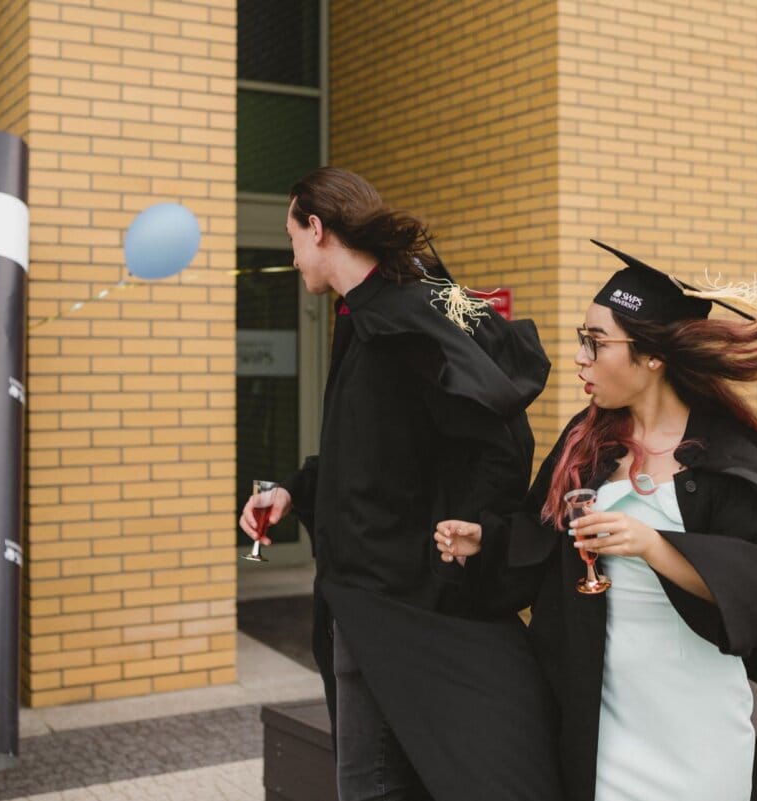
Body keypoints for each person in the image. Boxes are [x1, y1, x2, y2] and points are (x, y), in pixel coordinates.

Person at [434, 240, 757, 801]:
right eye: (583, 339)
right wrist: (488, 541)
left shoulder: (727, 455)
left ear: (652, 357)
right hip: (594, 717)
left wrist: (652, 545)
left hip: (693, 726)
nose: (579, 357)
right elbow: (541, 535)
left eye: (596, 343)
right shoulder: (586, 439)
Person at [239, 167, 561, 801]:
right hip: (366, 599)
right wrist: (293, 492)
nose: (292, 253)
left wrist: (460, 546)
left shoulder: (404, 318)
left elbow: (500, 441)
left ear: (317, 227)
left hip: (393, 604)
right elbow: (367, 452)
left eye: (292, 236)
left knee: (371, 786)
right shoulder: (367, 314)